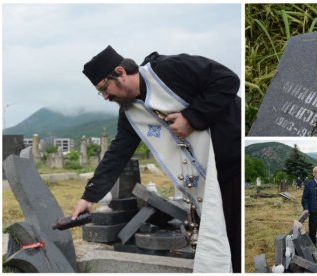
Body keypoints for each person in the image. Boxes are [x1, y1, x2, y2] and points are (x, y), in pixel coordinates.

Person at [74, 46, 241, 272]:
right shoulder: (129, 112)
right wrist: (89, 196)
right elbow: (118, 153)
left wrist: (192, 118)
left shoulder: (169, 69)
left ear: (120, 72)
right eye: (100, 92)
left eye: (105, 88)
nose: (105, 97)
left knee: (236, 242)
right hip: (203, 183)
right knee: (219, 245)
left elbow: (227, 80)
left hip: (232, 162)